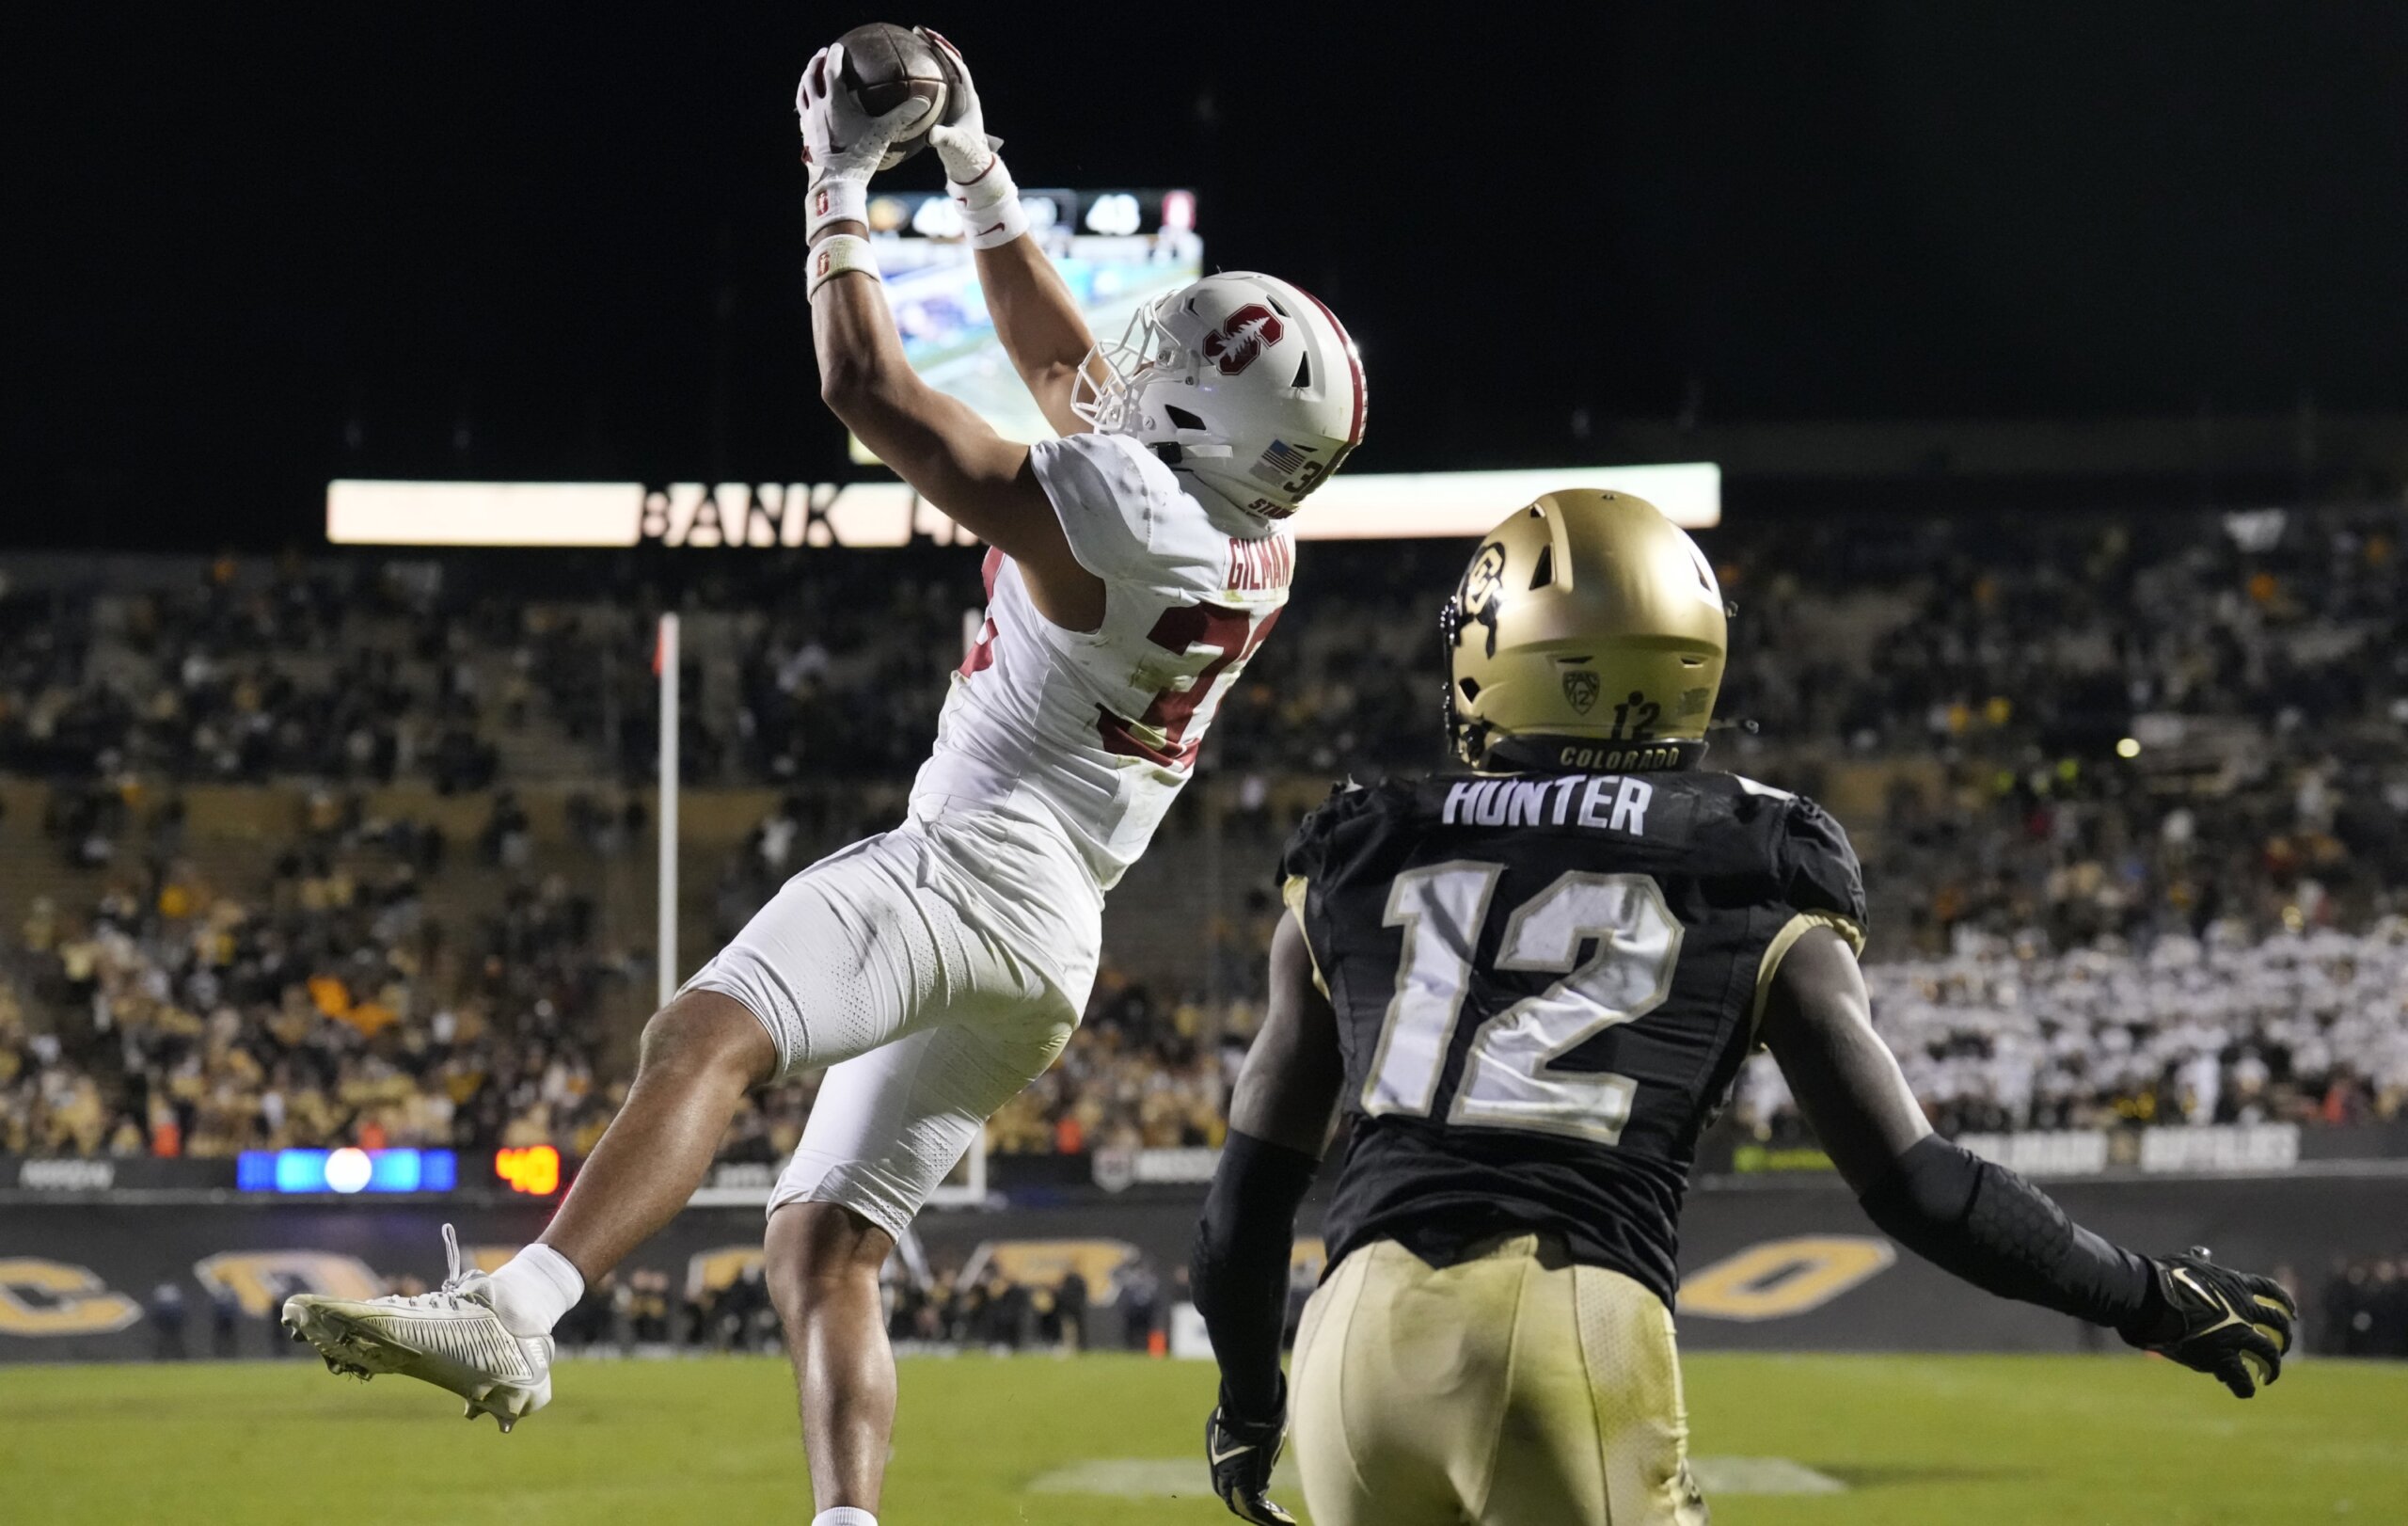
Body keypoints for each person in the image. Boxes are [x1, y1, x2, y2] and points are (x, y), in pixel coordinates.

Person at [281, 26, 1364, 1526]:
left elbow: (870, 389)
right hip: (1052, 937)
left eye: (1170, 364)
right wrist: (977, 166)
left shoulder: (1125, 508)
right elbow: (1067, 367)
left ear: (1197, 421)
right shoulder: (1255, 537)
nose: (1136, 369)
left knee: (706, 1028)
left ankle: (520, 1310)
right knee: (824, 1246)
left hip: (970, 869)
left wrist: (840, 177)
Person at [1188, 490, 2298, 1526]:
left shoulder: (1365, 839)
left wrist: (1247, 1398)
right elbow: (1917, 1183)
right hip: (1564, 1310)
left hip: (1351, 1341)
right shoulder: (1750, 852)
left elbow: (1246, 1196)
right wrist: (2145, 1295)